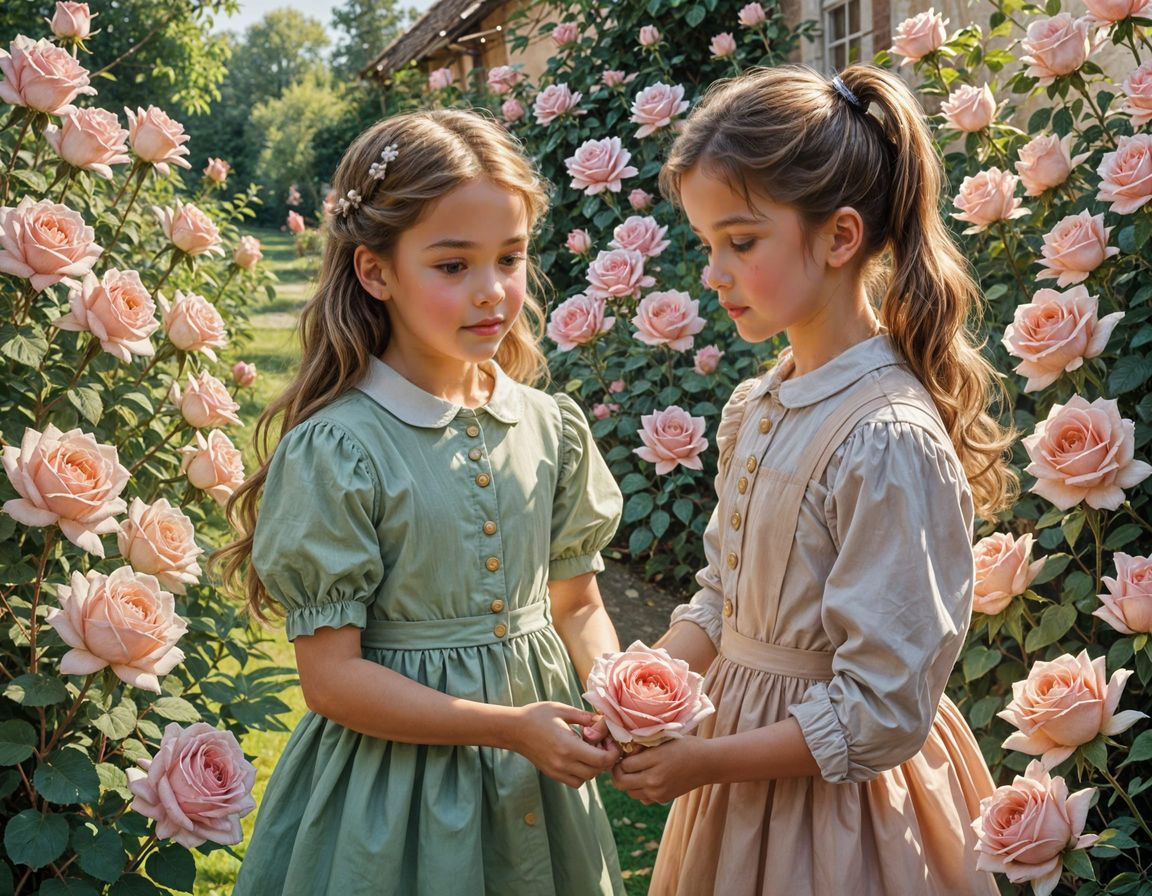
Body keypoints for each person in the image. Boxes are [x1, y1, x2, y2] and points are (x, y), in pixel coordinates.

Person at [610, 64, 1017, 895]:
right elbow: (725, 600)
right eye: (705, 245)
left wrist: (708, 760)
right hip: (733, 794)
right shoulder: (758, 405)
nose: (713, 274)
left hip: (842, 819)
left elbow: (879, 709)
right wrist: (635, 692)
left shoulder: (886, 441)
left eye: (741, 241)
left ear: (838, 237)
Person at [216, 109, 625, 896]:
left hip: (540, 793)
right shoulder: (339, 450)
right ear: (377, 272)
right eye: (452, 265)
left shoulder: (551, 427)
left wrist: (618, 695)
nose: (492, 292)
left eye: (510, 258)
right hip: (393, 799)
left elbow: (576, 605)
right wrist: (511, 729)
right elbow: (332, 680)